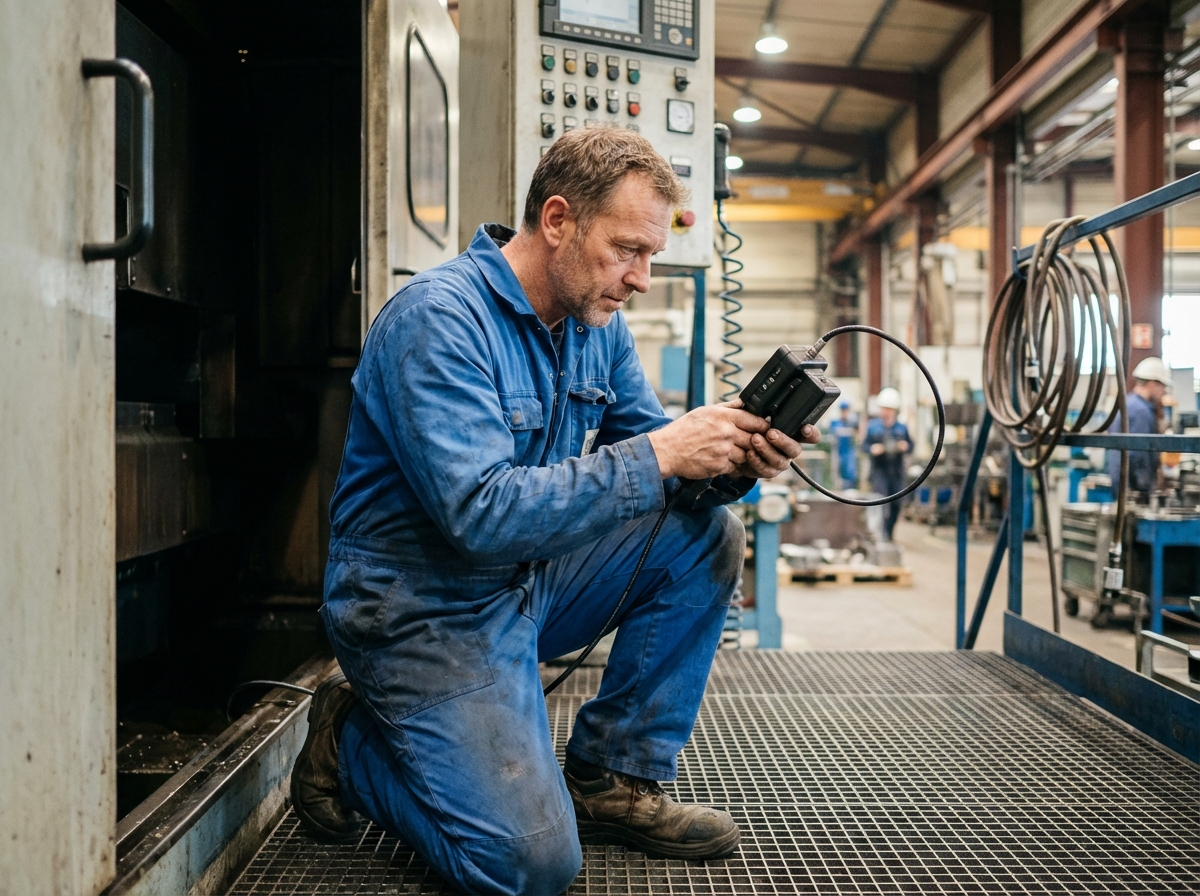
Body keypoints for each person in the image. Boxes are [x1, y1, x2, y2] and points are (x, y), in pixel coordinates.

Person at [288, 128, 818, 895]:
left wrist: (735, 460)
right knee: (530, 865)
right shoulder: (439, 320)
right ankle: (352, 742)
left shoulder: (596, 327)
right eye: (627, 250)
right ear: (559, 220)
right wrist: (666, 451)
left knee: (706, 537)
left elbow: (662, 483)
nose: (641, 279)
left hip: (524, 581)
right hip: (420, 609)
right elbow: (480, 516)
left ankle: (612, 777)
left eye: (651, 256)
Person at [1106, 356, 1172, 495]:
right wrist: (1146, 488)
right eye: (1163, 387)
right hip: (1134, 488)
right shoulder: (1141, 411)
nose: (1163, 393)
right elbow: (1139, 456)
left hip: (1121, 483)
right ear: (1152, 383)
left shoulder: (1127, 403)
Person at [863, 387, 911, 541]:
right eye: (884, 408)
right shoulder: (873, 427)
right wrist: (873, 449)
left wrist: (905, 446)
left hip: (896, 472)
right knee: (881, 503)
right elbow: (864, 446)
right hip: (879, 472)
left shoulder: (902, 428)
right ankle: (881, 535)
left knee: (897, 504)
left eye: (889, 409)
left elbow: (911, 445)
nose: (886, 412)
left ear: (894, 410)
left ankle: (889, 532)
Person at [829, 400, 859, 489]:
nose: (844, 412)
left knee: (850, 473)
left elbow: (858, 434)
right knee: (837, 474)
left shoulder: (852, 423)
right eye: (843, 410)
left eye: (846, 410)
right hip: (838, 452)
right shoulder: (835, 423)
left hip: (849, 453)